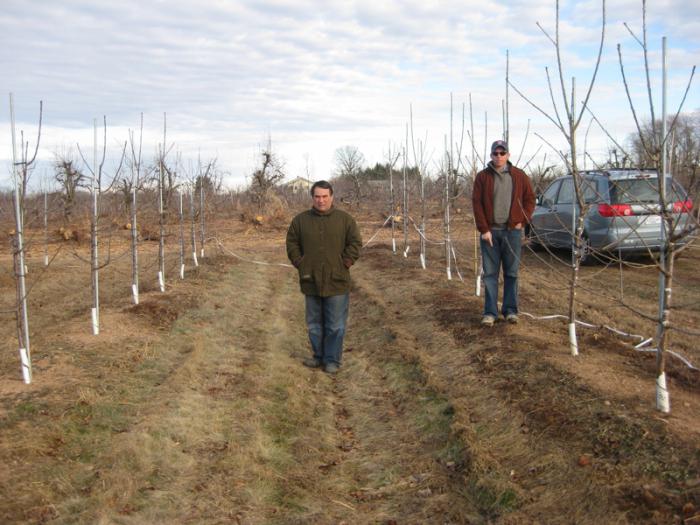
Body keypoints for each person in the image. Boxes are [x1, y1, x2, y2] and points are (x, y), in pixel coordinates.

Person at [286, 180, 362, 374]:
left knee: (335, 325)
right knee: (314, 325)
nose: (321, 200)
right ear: (312, 198)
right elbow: (292, 242)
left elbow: (355, 242)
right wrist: (299, 262)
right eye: (317, 196)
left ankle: (332, 360)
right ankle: (318, 356)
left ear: (332, 197)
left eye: (325, 196)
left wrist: (345, 262)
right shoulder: (300, 221)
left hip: (337, 280)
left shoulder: (345, 220)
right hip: (310, 280)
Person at [472, 140, 535, 327]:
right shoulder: (483, 177)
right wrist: (484, 229)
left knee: (512, 273)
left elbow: (530, 199)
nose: (499, 156)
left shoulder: (519, 176)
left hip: (512, 233)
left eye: (502, 153)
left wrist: (522, 221)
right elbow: (477, 204)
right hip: (490, 233)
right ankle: (490, 313)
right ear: (491, 155)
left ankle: (510, 311)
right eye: (495, 153)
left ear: (508, 155)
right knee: (490, 274)